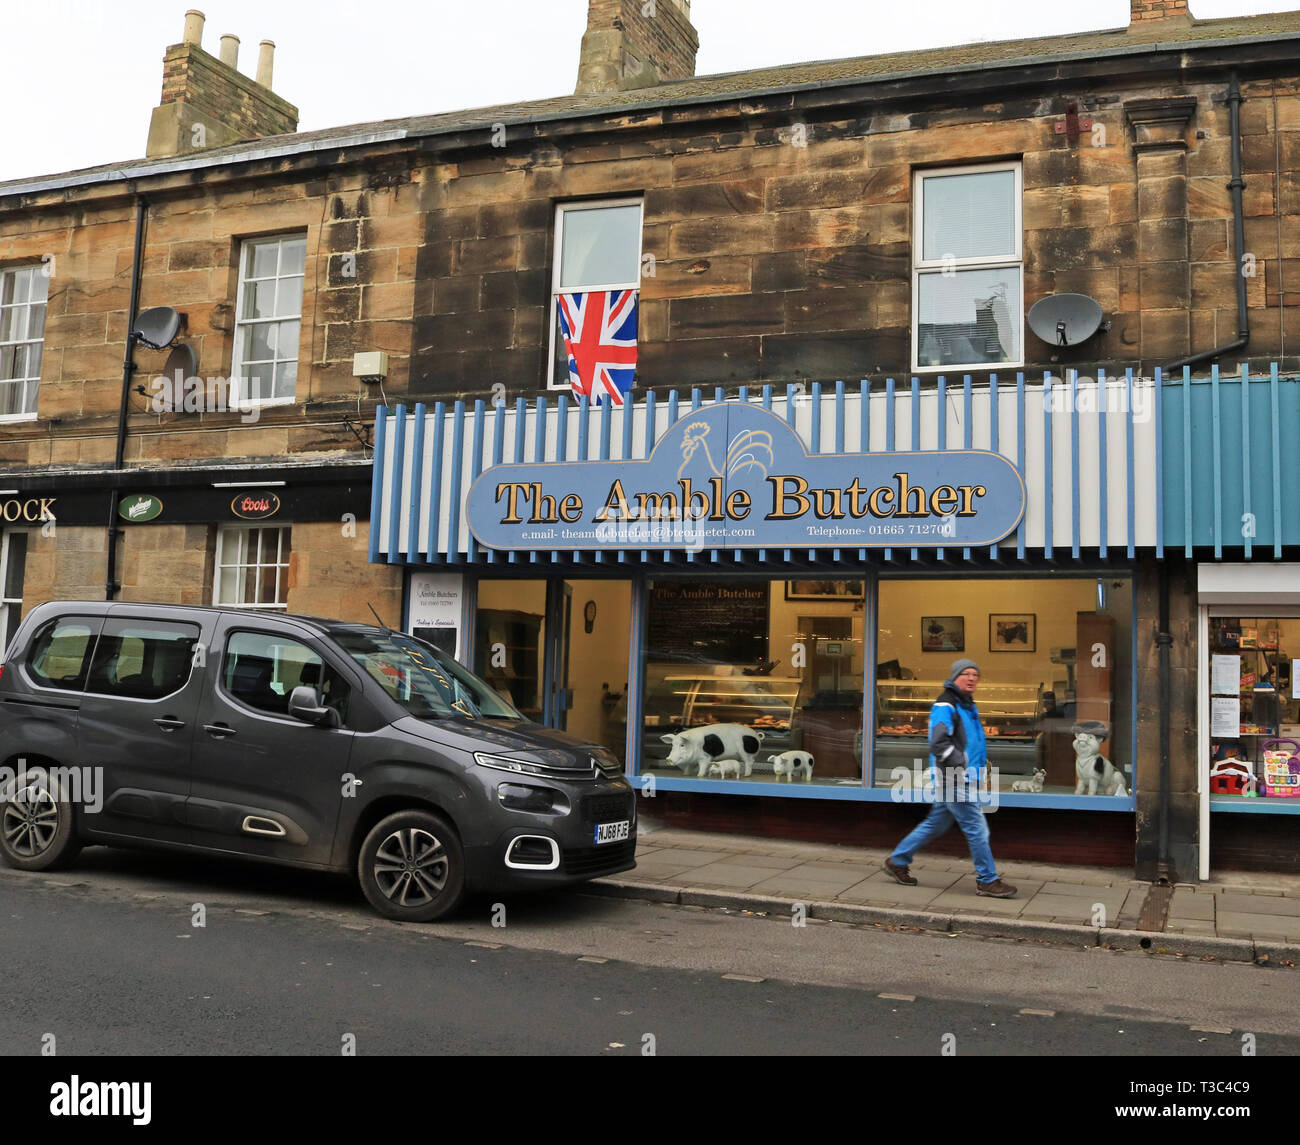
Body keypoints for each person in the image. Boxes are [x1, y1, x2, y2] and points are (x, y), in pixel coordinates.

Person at [883, 658, 1017, 898]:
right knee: (977, 829)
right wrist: (961, 764)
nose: (971, 678)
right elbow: (938, 742)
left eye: (975, 674)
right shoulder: (946, 704)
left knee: (936, 823)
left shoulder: (966, 704)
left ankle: (898, 860)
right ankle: (987, 880)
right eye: (966, 673)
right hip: (954, 778)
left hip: (962, 777)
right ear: (955, 676)